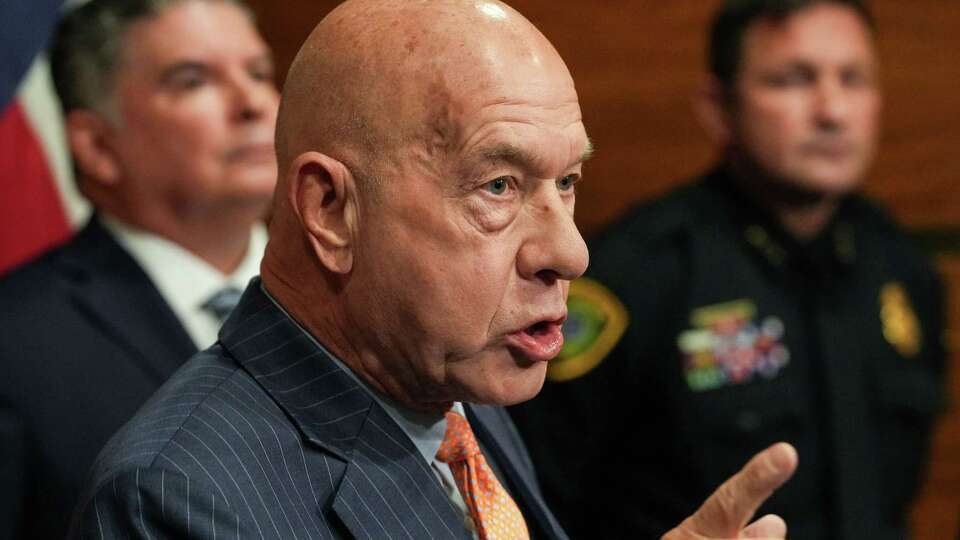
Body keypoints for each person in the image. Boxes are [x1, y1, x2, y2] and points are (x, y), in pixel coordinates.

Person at [69, 0, 799, 538]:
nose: (570, 252)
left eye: (567, 182)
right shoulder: (180, 499)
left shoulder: (457, 389)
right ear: (330, 211)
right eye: (498, 187)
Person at [509, 0, 947, 539]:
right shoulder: (639, 275)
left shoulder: (902, 269)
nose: (833, 110)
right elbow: (538, 502)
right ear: (719, 108)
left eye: (853, 79)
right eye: (793, 80)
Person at [0, 0, 279, 537]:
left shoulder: (368, 293)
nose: (252, 103)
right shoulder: (14, 346)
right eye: (193, 80)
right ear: (98, 146)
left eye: (259, 73)